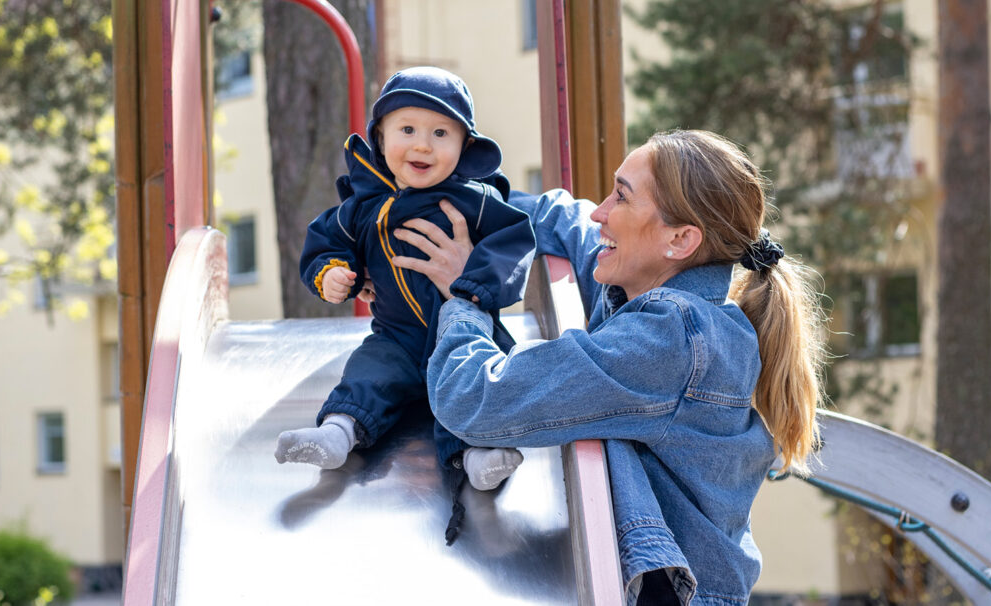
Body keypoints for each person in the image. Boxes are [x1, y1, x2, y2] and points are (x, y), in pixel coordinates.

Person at [393, 129, 826, 604]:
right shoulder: (639, 282)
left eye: (621, 197)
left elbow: (472, 397)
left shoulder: (669, 341)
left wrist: (466, 293)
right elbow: (567, 218)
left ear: (680, 240)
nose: (601, 211)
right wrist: (461, 203)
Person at [274, 67, 536, 503]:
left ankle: (481, 455)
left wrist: (477, 285)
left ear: (464, 147)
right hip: (394, 337)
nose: (421, 144)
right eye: (408, 129)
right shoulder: (364, 207)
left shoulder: (474, 200)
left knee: (476, 387)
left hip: (462, 329)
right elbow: (325, 241)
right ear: (379, 137)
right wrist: (333, 272)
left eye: (440, 133)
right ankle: (337, 433)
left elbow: (514, 242)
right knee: (367, 374)